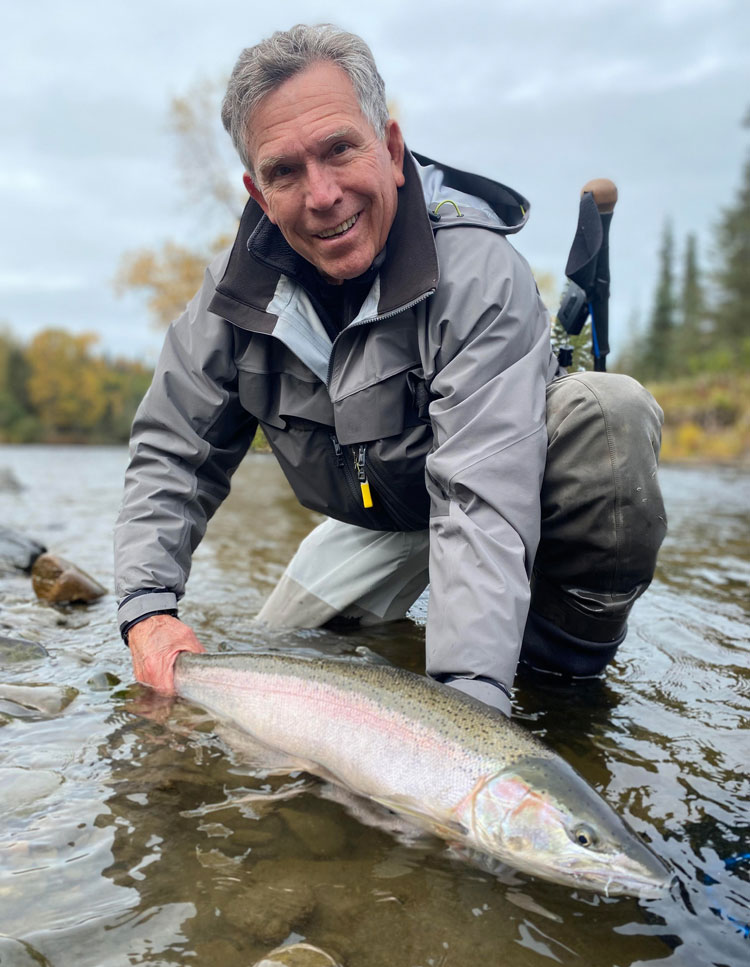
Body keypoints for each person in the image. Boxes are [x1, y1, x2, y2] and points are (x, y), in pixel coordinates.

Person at [114, 24, 666, 716]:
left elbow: (480, 503)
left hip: (492, 489)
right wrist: (147, 609)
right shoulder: (230, 299)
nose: (322, 194)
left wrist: (472, 718)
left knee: (607, 416)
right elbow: (172, 455)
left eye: (340, 149)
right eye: (286, 171)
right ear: (259, 195)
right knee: (269, 682)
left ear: (392, 150)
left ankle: (562, 693)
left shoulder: (476, 272)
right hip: (377, 521)